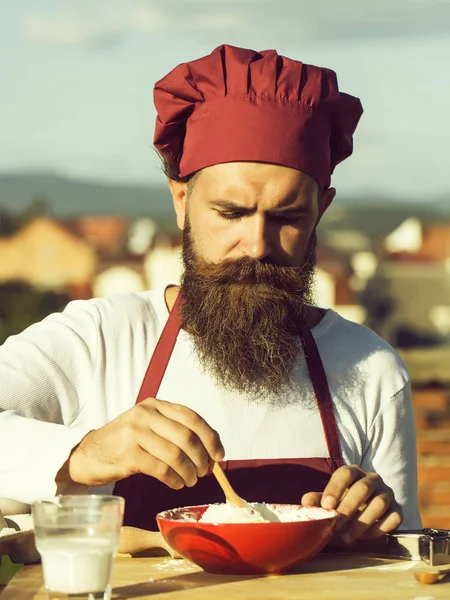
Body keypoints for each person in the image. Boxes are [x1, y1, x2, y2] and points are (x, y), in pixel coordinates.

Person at [0, 44, 421, 547]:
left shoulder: (372, 369)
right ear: (181, 201)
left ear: (321, 212)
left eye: (287, 218)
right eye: (231, 212)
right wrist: (86, 452)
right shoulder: (99, 340)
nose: (257, 245)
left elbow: (408, 566)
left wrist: (375, 528)